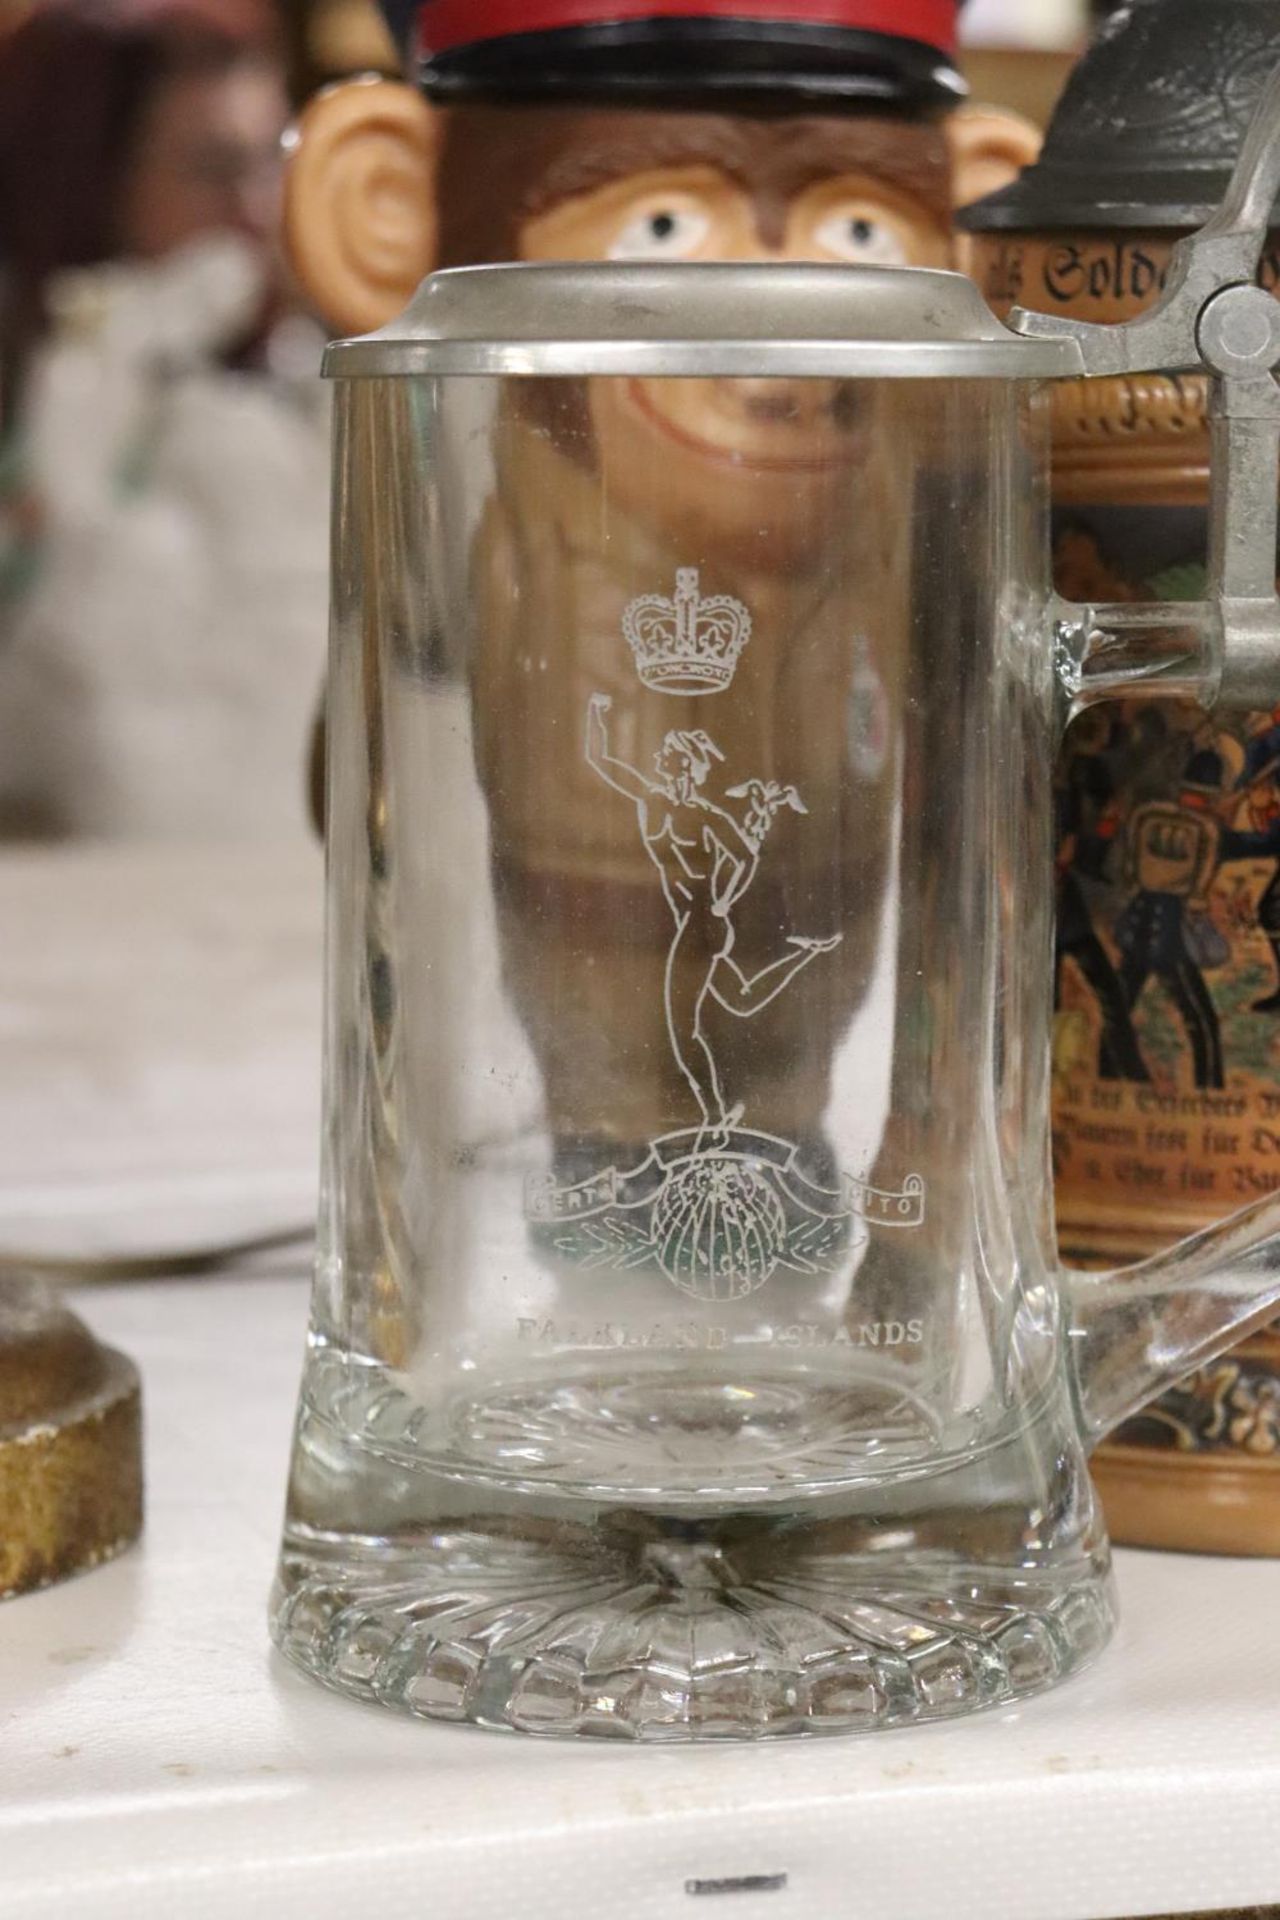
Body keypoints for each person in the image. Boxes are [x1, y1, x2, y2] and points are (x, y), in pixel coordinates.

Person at [0, 0, 329, 838]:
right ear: (93, 180)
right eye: (214, 171)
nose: (260, 211)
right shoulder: (49, 400)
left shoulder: (313, 379)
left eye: (273, 165)